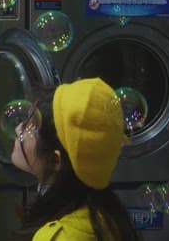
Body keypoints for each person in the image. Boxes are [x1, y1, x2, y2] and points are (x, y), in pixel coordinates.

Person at [10, 78, 140, 241]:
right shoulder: (104, 215)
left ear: (56, 161)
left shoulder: (60, 237)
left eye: (31, 127)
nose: (17, 129)